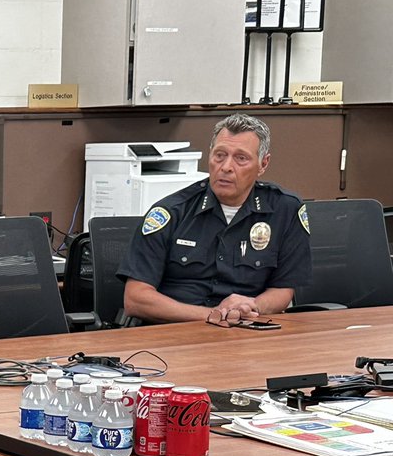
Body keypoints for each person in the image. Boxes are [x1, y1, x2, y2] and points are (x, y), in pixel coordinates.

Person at [119, 112, 311, 326]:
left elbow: (283, 290)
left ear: (263, 164)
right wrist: (213, 315)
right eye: (220, 155)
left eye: (241, 158)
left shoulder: (285, 210)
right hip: (177, 331)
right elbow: (136, 299)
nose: (226, 167)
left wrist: (251, 306)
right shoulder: (171, 212)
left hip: (246, 330)